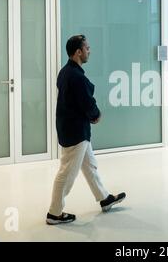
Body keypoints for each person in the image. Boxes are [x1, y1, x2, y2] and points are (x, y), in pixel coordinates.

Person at [46, 34, 126, 225]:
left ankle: (104, 198)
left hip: (72, 128)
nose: (89, 51)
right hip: (76, 132)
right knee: (67, 173)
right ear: (78, 52)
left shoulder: (65, 72)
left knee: (90, 165)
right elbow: (86, 102)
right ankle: (54, 213)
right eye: (87, 48)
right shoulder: (76, 77)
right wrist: (96, 115)